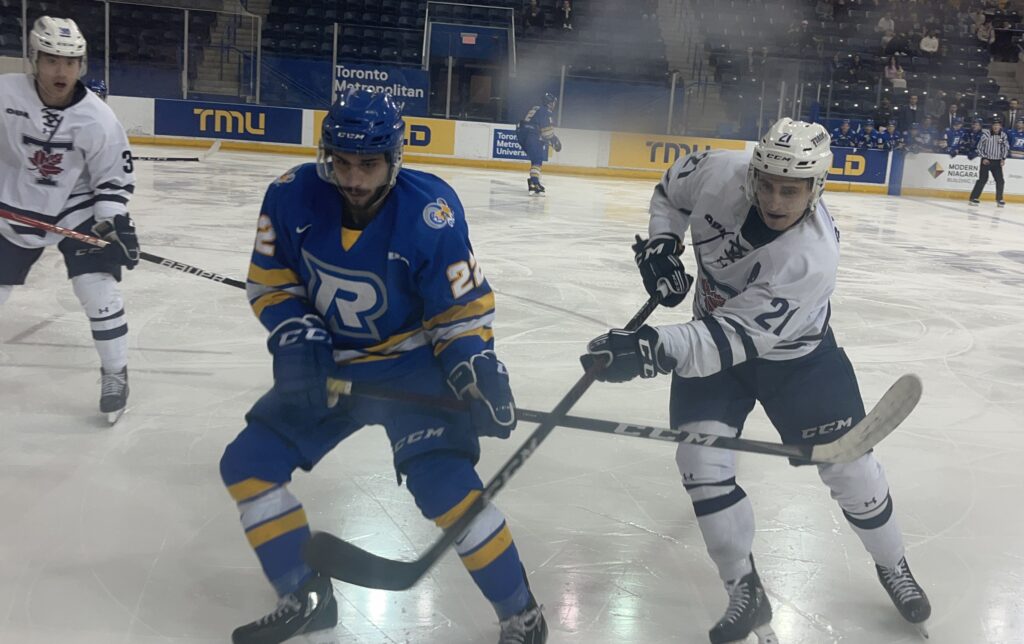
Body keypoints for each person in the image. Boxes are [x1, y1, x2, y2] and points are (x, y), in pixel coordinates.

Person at [578, 118, 931, 643]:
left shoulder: (812, 257)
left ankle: (892, 563)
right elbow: (669, 192)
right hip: (714, 342)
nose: (774, 198)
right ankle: (745, 588)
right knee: (700, 461)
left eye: (791, 189)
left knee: (851, 471)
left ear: (816, 187)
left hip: (798, 363)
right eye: (766, 182)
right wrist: (662, 246)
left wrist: (651, 349)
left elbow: (729, 341)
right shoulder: (719, 171)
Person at [220, 88, 548, 644]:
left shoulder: (430, 212)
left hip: (410, 365)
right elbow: (271, 282)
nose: (352, 178)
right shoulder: (290, 195)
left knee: (449, 490)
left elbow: (458, 315)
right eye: (341, 163)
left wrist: (476, 370)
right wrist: (297, 333)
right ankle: (304, 595)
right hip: (332, 363)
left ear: (393, 160)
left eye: (368, 164)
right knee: (247, 465)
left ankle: (523, 614)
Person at [0, 16, 139, 423]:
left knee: (98, 290)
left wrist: (112, 225)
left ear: (82, 65)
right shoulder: (5, 94)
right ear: (34, 60)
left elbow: (113, 180)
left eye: (70, 61)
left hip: (73, 210)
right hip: (12, 208)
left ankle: (115, 372)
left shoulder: (99, 120)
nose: (61, 71)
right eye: (51, 60)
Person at [516, 92, 561, 195]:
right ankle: (534, 183)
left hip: (521, 132)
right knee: (537, 159)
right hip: (531, 133)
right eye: (553, 102)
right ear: (550, 103)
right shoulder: (546, 111)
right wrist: (554, 140)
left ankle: (534, 180)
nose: (554, 105)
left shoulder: (536, 108)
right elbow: (547, 132)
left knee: (535, 157)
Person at [969, 118, 1009, 206]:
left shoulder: (1003, 135)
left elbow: (1005, 147)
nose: (996, 127)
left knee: (1000, 180)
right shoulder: (986, 134)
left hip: (997, 162)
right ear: (992, 126)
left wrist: (1003, 158)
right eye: (994, 125)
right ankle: (973, 198)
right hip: (986, 160)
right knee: (983, 179)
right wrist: (984, 157)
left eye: (998, 125)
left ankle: (999, 199)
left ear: (1000, 126)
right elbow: (979, 147)